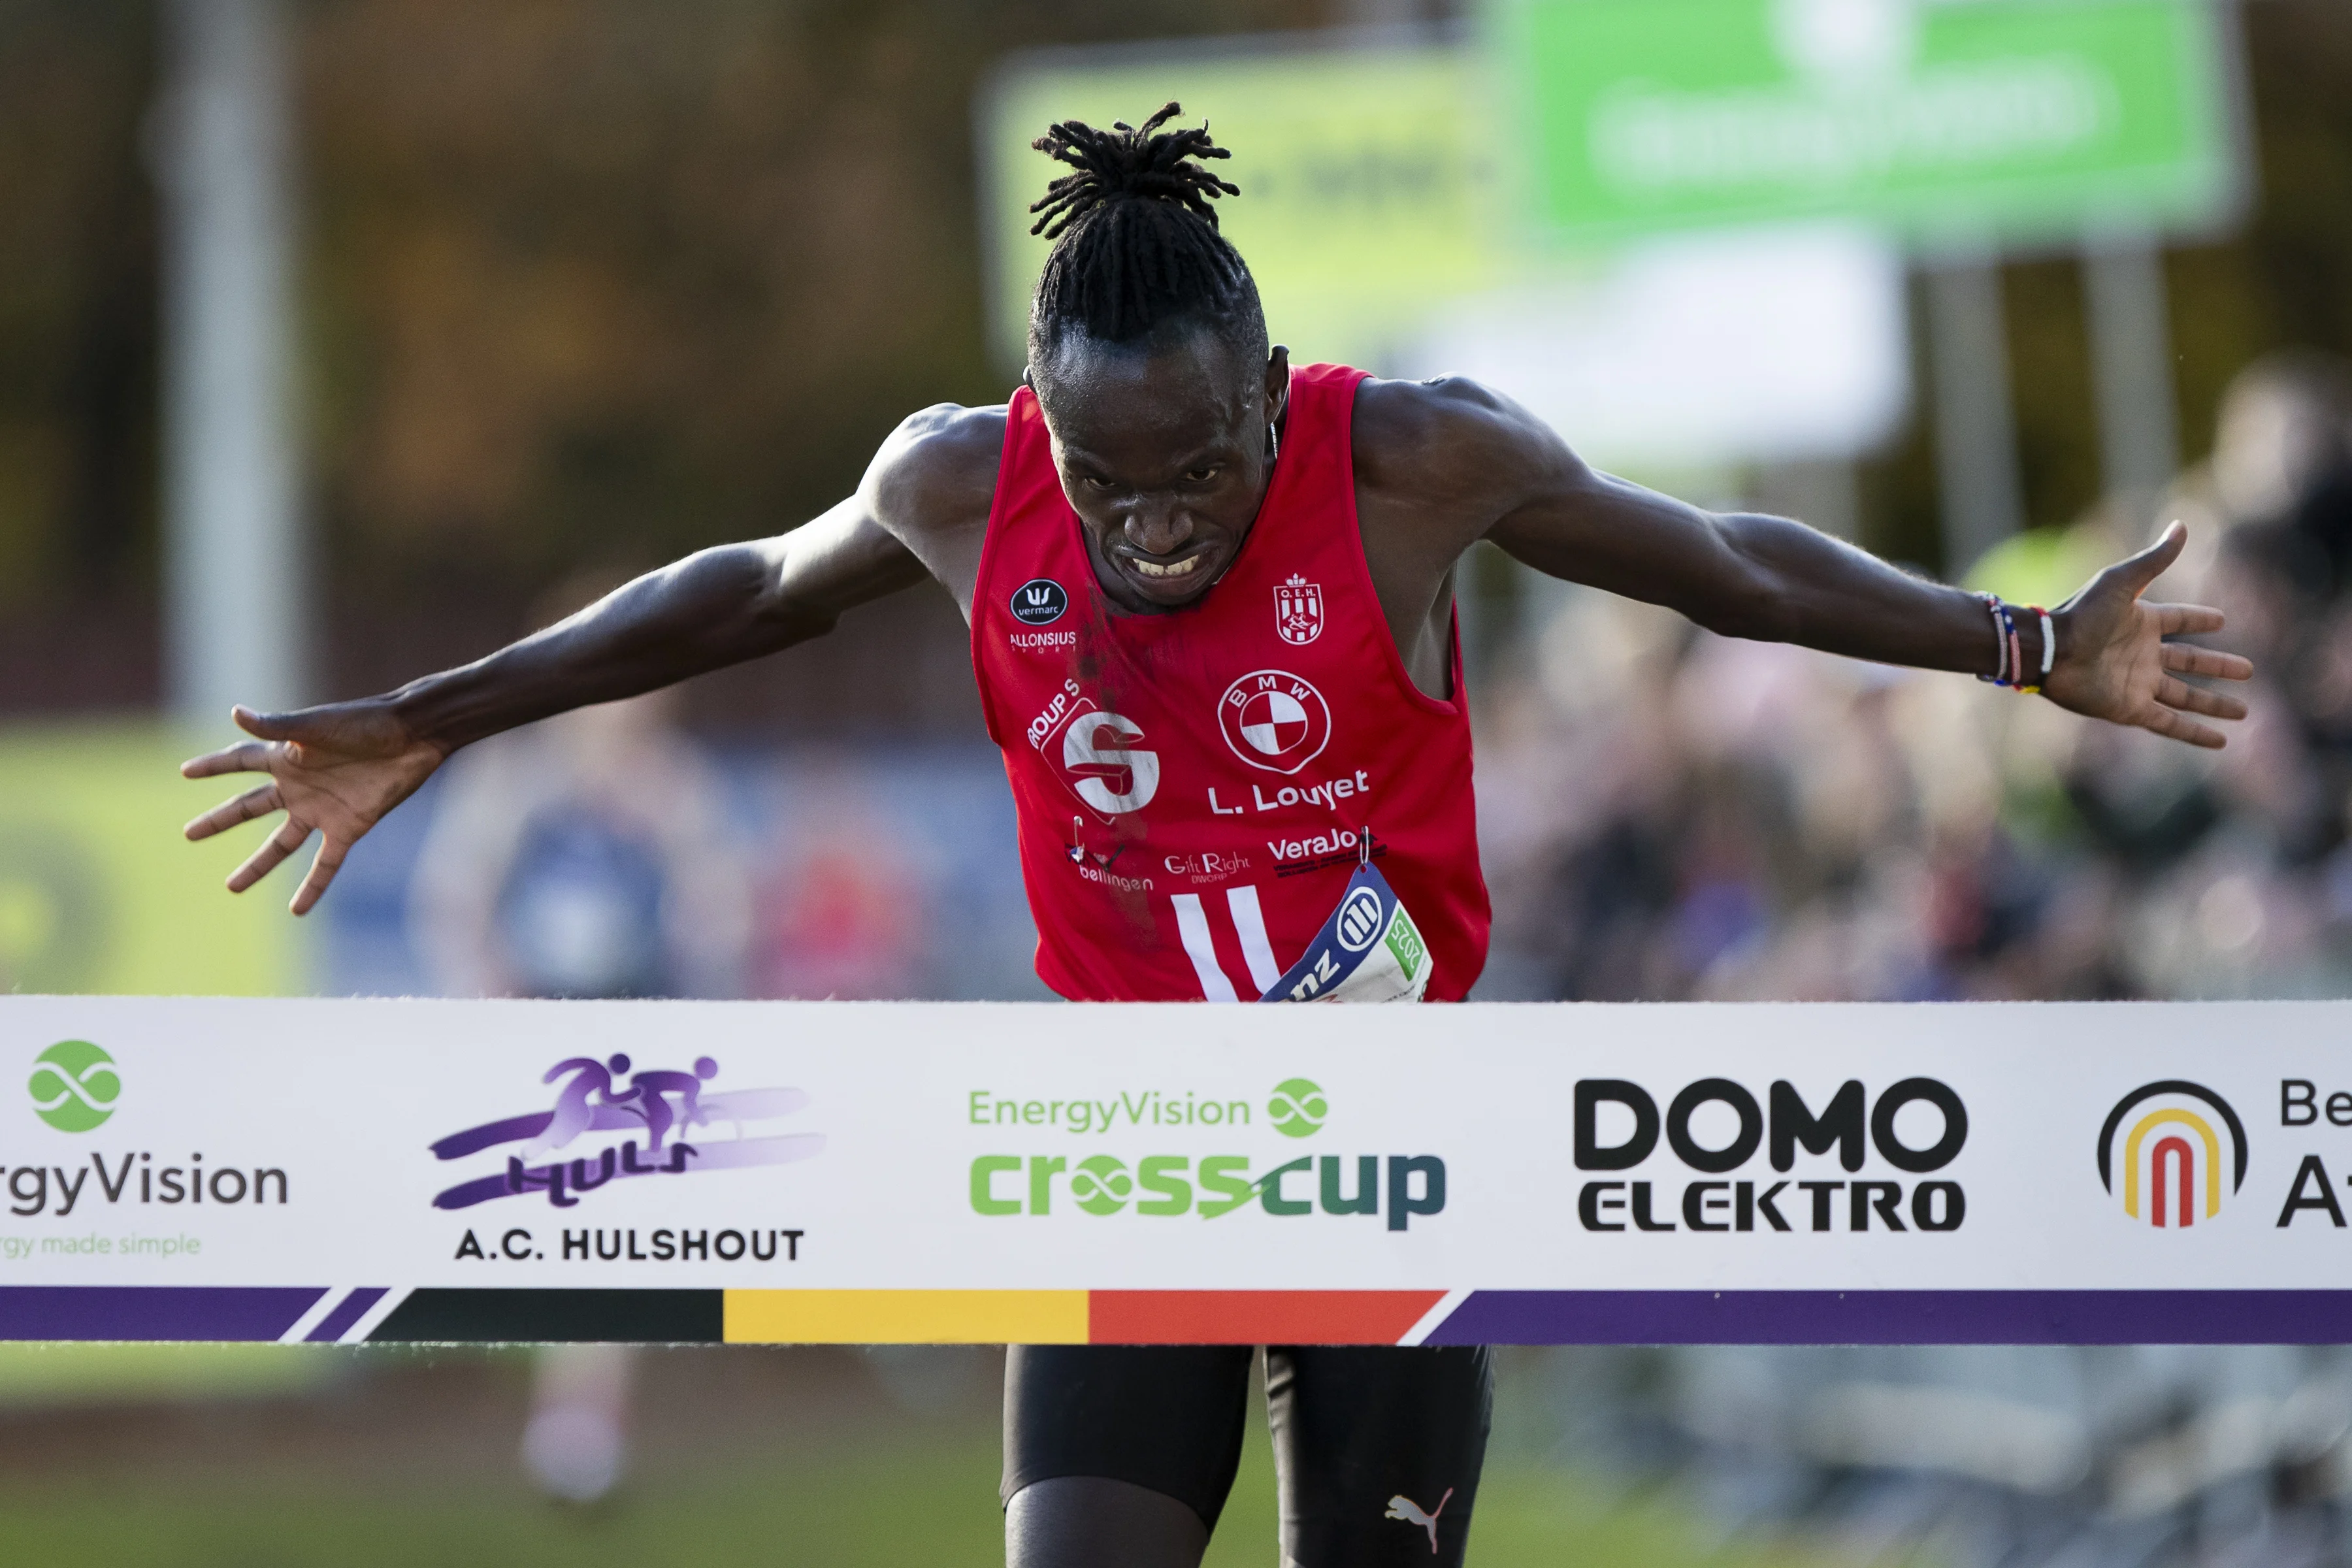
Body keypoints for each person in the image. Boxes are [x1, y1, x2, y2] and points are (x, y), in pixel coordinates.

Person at [180, 105, 2252, 1567]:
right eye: (1105, 479)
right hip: (1129, 1159)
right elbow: (736, 588)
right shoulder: (957, 485)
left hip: (1395, 1146)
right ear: (1035, 411)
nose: (1147, 523)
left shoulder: (1419, 463)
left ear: (1271, 387)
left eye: (1194, 473)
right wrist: (437, 720)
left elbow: (1719, 563)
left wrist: (2014, 642)